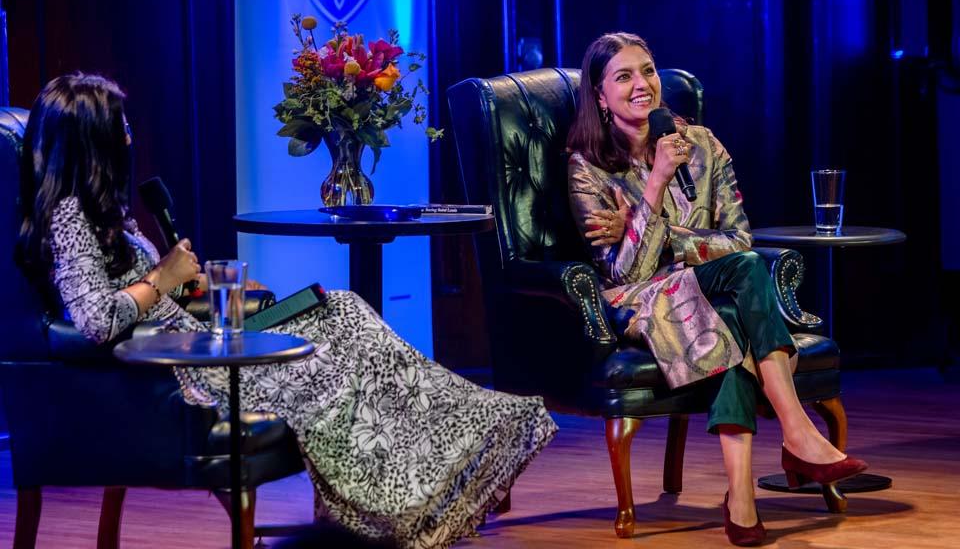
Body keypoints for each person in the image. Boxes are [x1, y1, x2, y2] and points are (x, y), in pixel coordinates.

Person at [16, 73, 557, 549]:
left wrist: (192, 286)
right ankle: (407, 489)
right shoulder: (67, 216)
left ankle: (437, 459)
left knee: (341, 309)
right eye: (120, 125)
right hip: (184, 371)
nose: (130, 134)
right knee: (343, 348)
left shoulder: (102, 211)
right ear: (91, 141)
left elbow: (142, 295)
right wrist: (164, 278)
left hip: (201, 338)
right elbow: (91, 322)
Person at [566, 33, 867, 546]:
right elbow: (624, 277)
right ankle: (792, 436)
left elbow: (739, 240)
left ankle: (745, 496)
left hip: (715, 286)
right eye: (624, 76)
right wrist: (656, 183)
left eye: (649, 69)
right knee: (739, 296)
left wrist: (644, 227)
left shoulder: (703, 145)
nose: (643, 85)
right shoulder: (586, 168)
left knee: (742, 283)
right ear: (599, 95)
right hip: (646, 303)